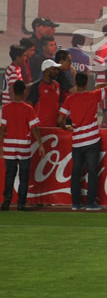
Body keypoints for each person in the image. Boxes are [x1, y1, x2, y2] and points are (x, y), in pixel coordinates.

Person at [58, 72, 107, 210]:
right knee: (92, 172)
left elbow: (60, 119)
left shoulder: (70, 99)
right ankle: (90, 203)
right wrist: (98, 86)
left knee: (76, 172)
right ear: (86, 84)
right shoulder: (93, 95)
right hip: (92, 140)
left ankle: (76, 203)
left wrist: (65, 126)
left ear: (76, 83)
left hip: (77, 140)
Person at [1, 81, 45, 211]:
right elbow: (34, 129)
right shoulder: (28, 109)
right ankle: (21, 203)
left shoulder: (6, 108)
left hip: (9, 146)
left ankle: (6, 202)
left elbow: (3, 128)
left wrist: (0, 144)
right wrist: (41, 144)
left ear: (13, 92)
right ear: (24, 92)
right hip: (23, 145)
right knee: (23, 176)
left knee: (10, 174)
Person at [25, 59, 61, 128]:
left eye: (57, 69)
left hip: (54, 129)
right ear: (46, 70)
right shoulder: (37, 86)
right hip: (40, 128)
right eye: (54, 69)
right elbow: (29, 107)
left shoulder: (57, 86)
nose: (57, 71)